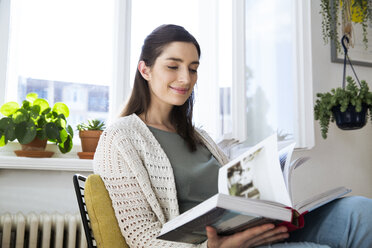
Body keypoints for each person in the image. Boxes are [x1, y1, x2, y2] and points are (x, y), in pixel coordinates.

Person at [93, 24, 372, 248]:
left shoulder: (200, 137)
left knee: (361, 211)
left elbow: (234, 195)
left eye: (193, 68)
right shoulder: (121, 137)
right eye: (173, 66)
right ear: (145, 69)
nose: (186, 79)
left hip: (255, 229)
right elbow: (141, 237)